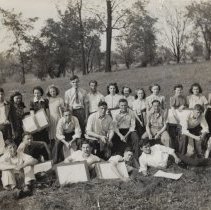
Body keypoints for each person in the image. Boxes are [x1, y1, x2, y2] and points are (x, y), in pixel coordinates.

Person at [168, 84, 187, 151]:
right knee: (173, 136)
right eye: (178, 90)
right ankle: (173, 151)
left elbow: (186, 106)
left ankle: (182, 152)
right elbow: (173, 110)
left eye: (180, 90)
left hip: (182, 118)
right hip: (174, 118)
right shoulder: (172, 98)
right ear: (175, 90)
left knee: (182, 135)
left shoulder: (184, 98)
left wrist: (183, 106)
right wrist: (178, 119)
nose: (179, 91)